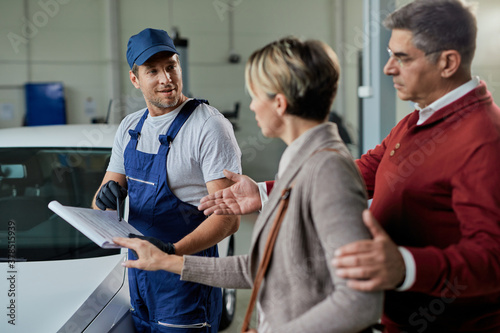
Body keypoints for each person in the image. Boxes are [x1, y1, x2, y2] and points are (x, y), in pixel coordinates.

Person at [196, 1, 500, 332]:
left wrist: (406, 267)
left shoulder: (483, 138)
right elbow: (364, 171)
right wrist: (265, 192)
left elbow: (493, 258)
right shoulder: (417, 120)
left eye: (402, 57)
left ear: (448, 62)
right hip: (396, 318)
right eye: (390, 54)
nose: (387, 68)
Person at [114, 36, 383, 333]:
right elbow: (261, 266)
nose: (252, 106)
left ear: (279, 103)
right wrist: (168, 261)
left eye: (255, 95)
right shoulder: (299, 164)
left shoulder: (328, 170)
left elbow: (360, 302)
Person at [92, 28, 241, 332]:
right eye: (152, 71)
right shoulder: (130, 127)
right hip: (139, 273)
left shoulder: (209, 127)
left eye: (171, 66)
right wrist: (105, 197)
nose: (166, 79)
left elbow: (229, 219)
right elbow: (99, 204)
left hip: (187, 277)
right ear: (135, 79)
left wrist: (172, 254)